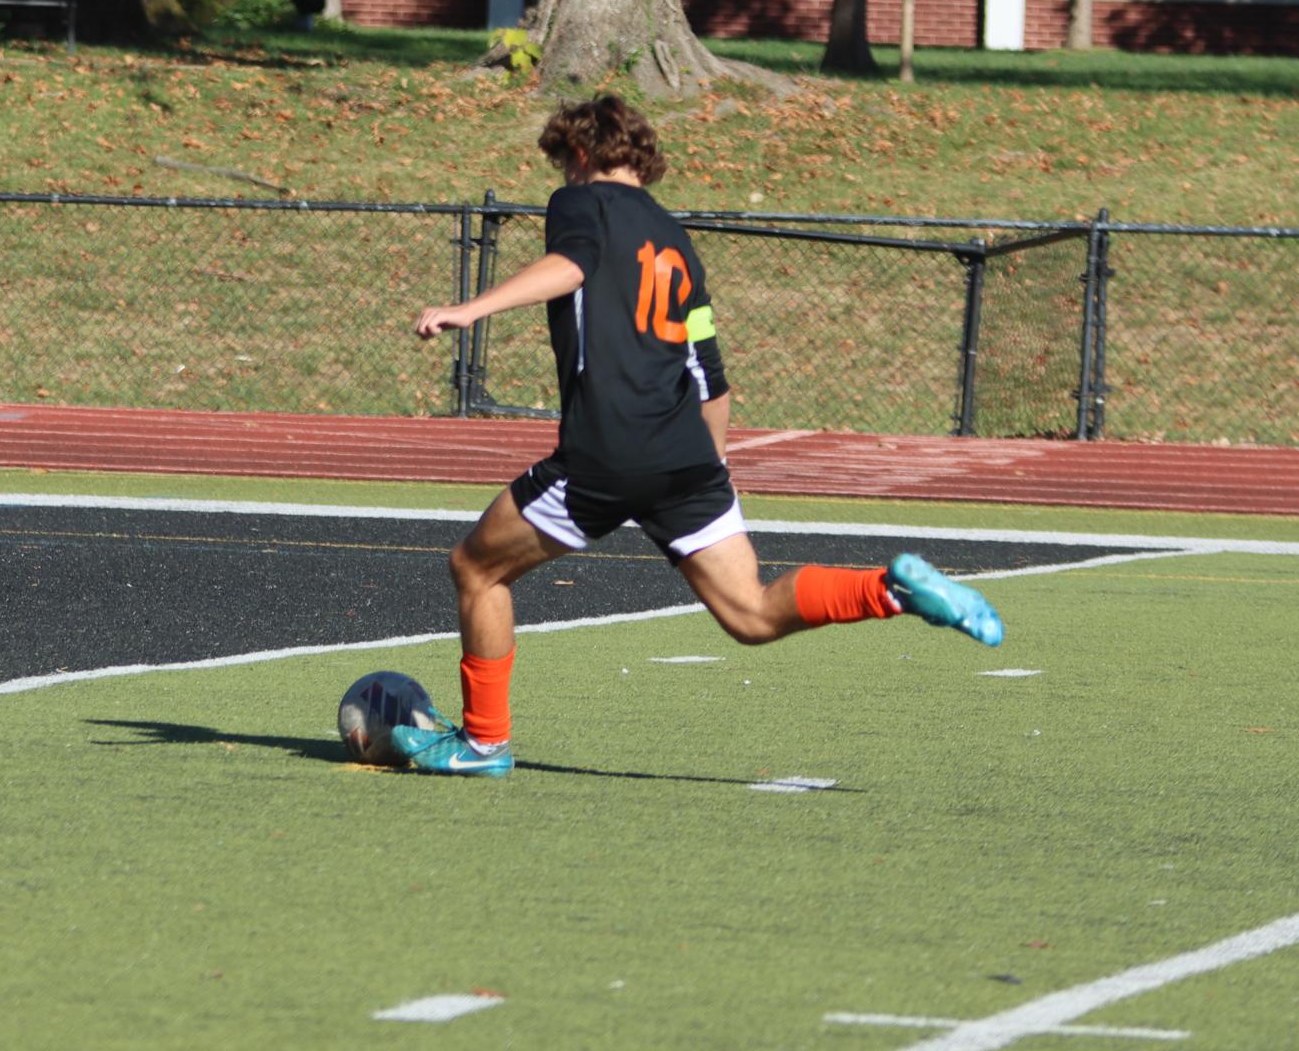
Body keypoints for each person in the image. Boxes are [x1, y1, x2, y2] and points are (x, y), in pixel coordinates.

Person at [393, 94, 1003, 779]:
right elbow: (708, 374)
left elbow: (572, 265)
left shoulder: (579, 204)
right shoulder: (674, 240)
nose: (563, 176)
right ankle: (890, 590)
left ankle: (482, 745)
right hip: (686, 451)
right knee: (749, 615)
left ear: (582, 154)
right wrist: (710, 468)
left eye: (563, 162)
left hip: (607, 447)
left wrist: (468, 308)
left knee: (475, 568)